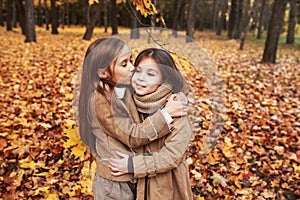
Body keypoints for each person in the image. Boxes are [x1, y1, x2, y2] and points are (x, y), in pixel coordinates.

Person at [78, 38, 187, 200]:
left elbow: (159, 86)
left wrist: (179, 96)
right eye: (124, 64)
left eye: (131, 61)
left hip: (134, 178)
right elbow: (133, 135)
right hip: (114, 182)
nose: (132, 69)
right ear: (103, 73)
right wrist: (166, 114)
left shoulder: (122, 87)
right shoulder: (100, 99)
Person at [109, 48, 194, 200]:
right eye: (138, 71)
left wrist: (133, 165)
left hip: (165, 187)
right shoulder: (127, 100)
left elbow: (172, 156)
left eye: (151, 74)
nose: (141, 78)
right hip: (132, 185)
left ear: (165, 79)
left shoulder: (176, 109)